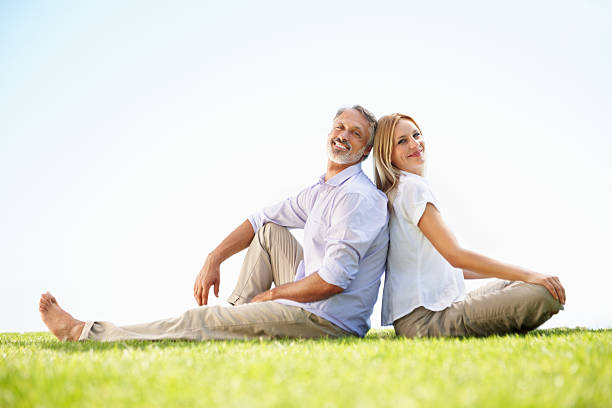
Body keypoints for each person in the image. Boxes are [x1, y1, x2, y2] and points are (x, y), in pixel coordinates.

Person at [39, 105, 389, 342]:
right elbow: (260, 219)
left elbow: (332, 281)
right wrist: (214, 258)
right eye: (339, 126)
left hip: (327, 321)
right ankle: (237, 317)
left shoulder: (356, 197)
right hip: (306, 303)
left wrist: (272, 295)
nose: (343, 135)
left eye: (355, 134)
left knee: (200, 320)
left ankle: (85, 333)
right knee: (269, 233)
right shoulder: (323, 189)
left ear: (365, 151)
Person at [373, 113, 565, 338]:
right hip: (425, 322)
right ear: (388, 154)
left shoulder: (399, 190)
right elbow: (456, 256)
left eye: (416, 135)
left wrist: (524, 276)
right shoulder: (412, 189)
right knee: (543, 293)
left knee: (522, 281)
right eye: (402, 141)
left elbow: (451, 266)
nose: (415, 144)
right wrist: (531, 275)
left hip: (426, 314)